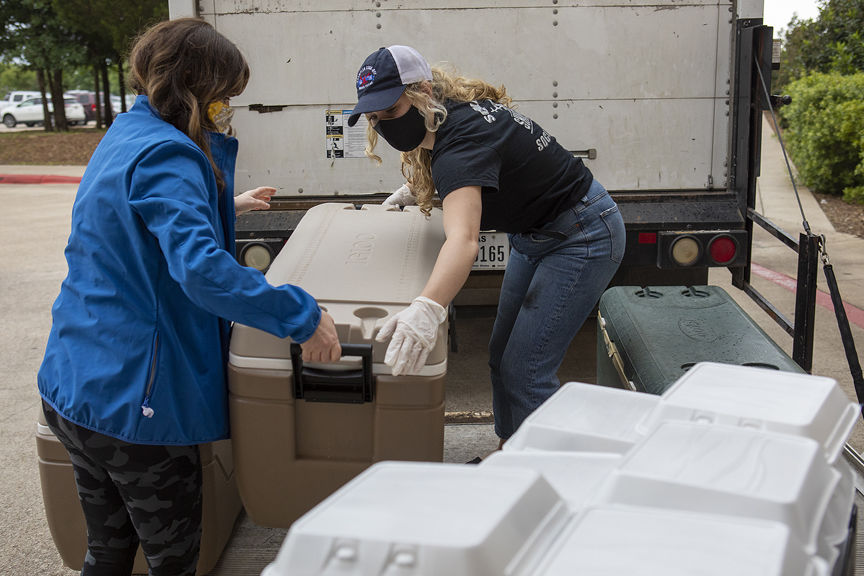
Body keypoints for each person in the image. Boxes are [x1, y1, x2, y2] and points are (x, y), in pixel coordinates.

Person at [37, 18, 340, 576]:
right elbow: (203, 273)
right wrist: (301, 315)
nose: (226, 108)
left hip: (73, 386)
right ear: (196, 89)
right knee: (172, 563)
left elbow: (131, 224)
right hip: (135, 407)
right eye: (224, 95)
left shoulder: (127, 133)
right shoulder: (168, 156)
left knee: (106, 552)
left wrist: (228, 204)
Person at [347, 45, 625, 446]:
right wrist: (416, 187)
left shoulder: (458, 141)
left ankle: (547, 477)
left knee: (525, 369)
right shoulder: (451, 111)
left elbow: (463, 241)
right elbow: (487, 157)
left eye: (390, 111)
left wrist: (427, 307)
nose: (384, 126)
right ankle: (512, 454)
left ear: (422, 90)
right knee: (501, 357)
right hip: (537, 233)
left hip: (582, 235)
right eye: (374, 118)